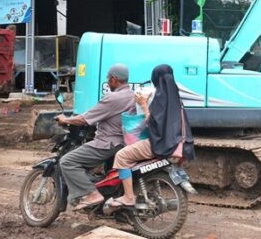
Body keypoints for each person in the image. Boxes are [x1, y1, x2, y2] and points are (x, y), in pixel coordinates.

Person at [107, 64, 195, 208]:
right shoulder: (176, 97)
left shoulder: (160, 97)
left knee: (121, 156)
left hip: (163, 144)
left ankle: (129, 197)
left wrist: (143, 104)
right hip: (180, 144)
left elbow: (152, 123)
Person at [57, 64, 135, 210]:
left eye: (108, 79)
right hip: (124, 142)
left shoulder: (112, 98)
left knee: (67, 161)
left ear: (114, 79)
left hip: (108, 144)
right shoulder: (132, 95)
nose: (108, 82)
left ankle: (92, 194)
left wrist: (65, 120)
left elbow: (85, 119)